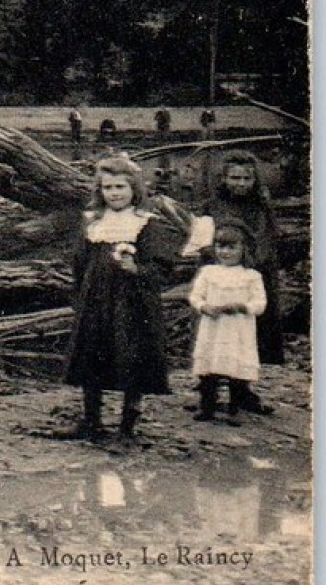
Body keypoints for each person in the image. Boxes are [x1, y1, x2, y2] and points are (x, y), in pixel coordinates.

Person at [62, 156, 177, 440]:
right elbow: (80, 261)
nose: (114, 193)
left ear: (134, 189)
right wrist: (80, 294)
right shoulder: (92, 222)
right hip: (96, 299)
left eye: (120, 187)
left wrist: (137, 269)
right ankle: (91, 419)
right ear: (99, 191)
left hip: (133, 303)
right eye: (108, 187)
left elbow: (163, 266)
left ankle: (128, 422)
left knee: (131, 354)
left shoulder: (145, 223)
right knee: (92, 352)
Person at [198, 152, 284, 407]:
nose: (241, 183)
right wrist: (215, 263)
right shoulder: (212, 205)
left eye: (247, 178)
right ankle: (207, 391)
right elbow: (202, 239)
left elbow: (268, 238)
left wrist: (250, 267)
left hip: (250, 275)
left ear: (255, 180)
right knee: (211, 335)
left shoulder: (261, 207)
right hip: (218, 276)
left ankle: (242, 390)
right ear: (224, 178)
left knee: (246, 335)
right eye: (235, 177)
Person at [188, 224, 268, 423]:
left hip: (238, 330)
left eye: (231, 247)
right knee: (209, 368)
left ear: (244, 249)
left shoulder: (251, 276)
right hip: (213, 328)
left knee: (236, 369)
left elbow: (260, 303)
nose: (225, 252)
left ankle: (235, 409)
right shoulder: (208, 272)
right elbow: (195, 296)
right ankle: (207, 406)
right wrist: (204, 307)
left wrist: (242, 307)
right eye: (220, 247)